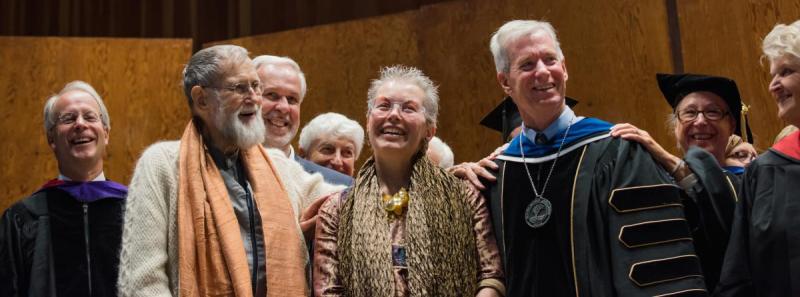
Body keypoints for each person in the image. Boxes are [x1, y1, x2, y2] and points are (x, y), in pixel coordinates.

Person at [454, 20, 706, 296]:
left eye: (550, 60)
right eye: (527, 65)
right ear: (505, 82)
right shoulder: (497, 173)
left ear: (564, 68)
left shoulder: (618, 152)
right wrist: (452, 183)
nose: (542, 72)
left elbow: (657, 264)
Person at [116, 45, 343, 297]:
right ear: (202, 99)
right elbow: (143, 281)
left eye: (256, 86)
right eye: (239, 88)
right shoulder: (162, 164)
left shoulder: (277, 165)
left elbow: (342, 201)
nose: (254, 98)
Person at [313, 65, 504, 297]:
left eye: (409, 108)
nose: (393, 115)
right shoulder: (337, 210)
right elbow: (329, 291)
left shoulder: (465, 196)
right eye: (383, 106)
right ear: (368, 121)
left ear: (429, 130)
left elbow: (491, 276)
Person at [611, 73, 750, 290]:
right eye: (689, 113)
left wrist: (667, 158)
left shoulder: (749, 183)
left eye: (713, 112)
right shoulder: (656, 182)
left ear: (731, 125)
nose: (701, 121)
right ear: (675, 125)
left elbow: (725, 222)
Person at [0, 81, 127, 297]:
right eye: (68, 119)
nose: (80, 124)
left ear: (106, 134)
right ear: (52, 139)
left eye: (89, 117)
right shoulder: (22, 218)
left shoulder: (136, 209)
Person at [716, 19, 800, 297]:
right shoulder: (766, 171)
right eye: (773, 75)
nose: (773, 86)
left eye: (786, 72)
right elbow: (739, 275)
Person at [253, 55, 352, 185]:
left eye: (292, 99)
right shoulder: (222, 177)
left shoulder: (340, 187)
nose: (284, 108)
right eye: (272, 95)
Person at [297, 112, 364, 176]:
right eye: (327, 149)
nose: (337, 162)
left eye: (347, 153)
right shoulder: (287, 187)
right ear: (303, 156)